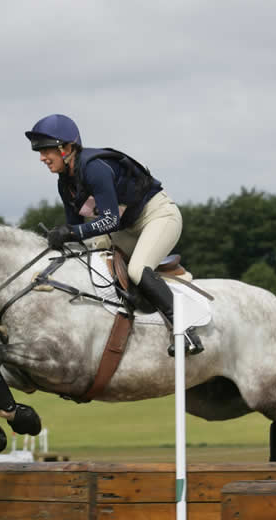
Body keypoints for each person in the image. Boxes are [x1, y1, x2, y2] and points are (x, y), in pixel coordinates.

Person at [25, 113, 203, 355]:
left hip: (158, 216)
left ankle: (184, 330)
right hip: (126, 227)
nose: (42, 158)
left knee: (137, 270)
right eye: (39, 152)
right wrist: (63, 237)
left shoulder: (94, 169)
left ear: (67, 148)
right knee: (85, 255)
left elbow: (109, 220)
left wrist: (72, 231)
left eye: (47, 151)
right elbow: (77, 232)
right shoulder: (64, 182)